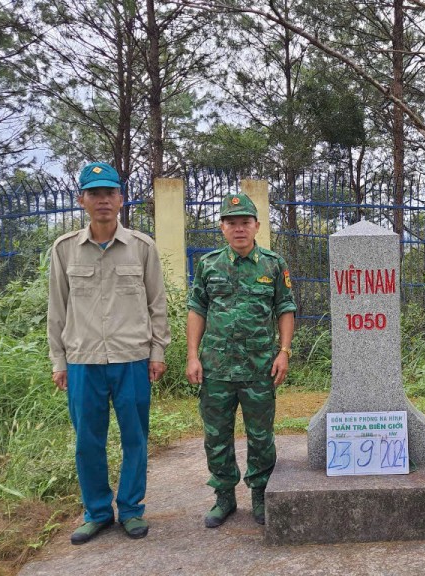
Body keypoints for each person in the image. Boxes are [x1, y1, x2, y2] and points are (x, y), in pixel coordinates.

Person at [47, 162, 170, 544]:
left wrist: (158, 351)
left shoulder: (142, 247)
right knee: (88, 441)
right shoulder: (65, 249)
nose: (103, 201)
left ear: (120, 199)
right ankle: (97, 511)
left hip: (131, 358)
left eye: (109, 193)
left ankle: (131, 510)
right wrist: (58, 360)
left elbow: (157, 304)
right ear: (82, 200)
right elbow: (57, 308)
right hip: (83, 361)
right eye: (94, 194)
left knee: (135, 437)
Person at [186, 192, 296, 527]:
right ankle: (224, 497)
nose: (239, 229)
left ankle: (261, 494)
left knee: (260, 435)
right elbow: (197, 310)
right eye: (231, 223)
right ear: (221, 227)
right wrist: (193, 355)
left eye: (245, 222)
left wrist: (284, 351)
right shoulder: (208, 265)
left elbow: (286, 308)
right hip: (216, 368)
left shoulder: (273, 265)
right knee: (217, 435)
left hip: (259, 367)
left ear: (256, 226)